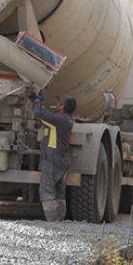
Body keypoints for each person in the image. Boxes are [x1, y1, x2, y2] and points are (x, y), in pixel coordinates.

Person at [30, 92, 76, 222]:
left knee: (47, 192)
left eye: (58, 102)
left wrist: (37, 102)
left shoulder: (58, 120)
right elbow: (45, 117)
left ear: (62, 107)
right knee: (59, 194)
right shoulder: (67, 119)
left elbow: (40, 114)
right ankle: (60, 219)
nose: (56, 104)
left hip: (53, 160)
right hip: (62, 160)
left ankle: (52, 222)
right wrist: (38, 105)